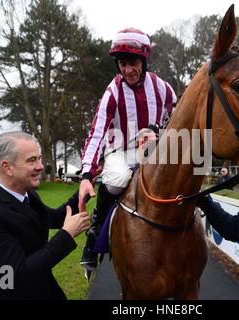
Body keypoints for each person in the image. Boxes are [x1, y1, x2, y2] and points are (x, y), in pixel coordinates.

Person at [78, 27, 177, 271]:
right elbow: (97, 131)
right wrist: (86, 175)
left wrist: (160, 132)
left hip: (153, 150)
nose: (128, 70)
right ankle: (95, 232)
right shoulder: (113, 91)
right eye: (122, 63)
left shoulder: (163, 88)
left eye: (133, 63)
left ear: (144, 60)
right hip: (120, 152)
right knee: (118, 179)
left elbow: (177, 119)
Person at [0, 132, 90, 299]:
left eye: (39, 158)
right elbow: (17, 274)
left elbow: (57, 217)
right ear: (7, 167)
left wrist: (84, 189)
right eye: (31, 160)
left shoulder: (27, 195)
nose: (41, 166)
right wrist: (66, 235)